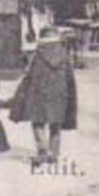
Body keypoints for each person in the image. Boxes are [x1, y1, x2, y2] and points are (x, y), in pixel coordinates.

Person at [10, 26, 78, 165]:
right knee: (56, 125)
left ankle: (42, 151)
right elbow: (70, 78)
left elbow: (30, 77)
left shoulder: (38, 56)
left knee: (38, 123)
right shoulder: (65, 56)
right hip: (60, 96)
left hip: (40, 95)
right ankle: (54, 154)